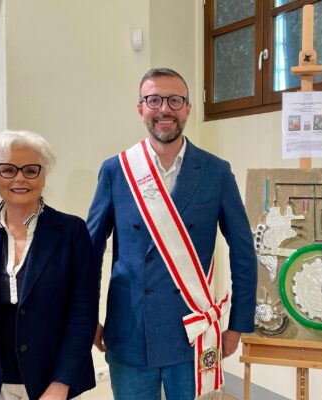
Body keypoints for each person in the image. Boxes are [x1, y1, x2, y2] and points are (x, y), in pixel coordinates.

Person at [87, 68, 257, 399]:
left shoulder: (216, 172)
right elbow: (89, 253)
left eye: (175, 100)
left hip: (192, 332)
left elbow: (243, 253)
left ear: (188, 109)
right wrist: (87, 318)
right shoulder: (116, 170)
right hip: (130, 330)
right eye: (154, 100)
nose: (165, 109)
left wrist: (238, 324)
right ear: (140, 109)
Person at [0, 130, 98, 400]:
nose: (20, 178)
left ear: (43, 176)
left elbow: (82, 315)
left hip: (51, 385)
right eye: (8, 169)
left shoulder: (71, 232)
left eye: (30, 170)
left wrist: (61, 384)